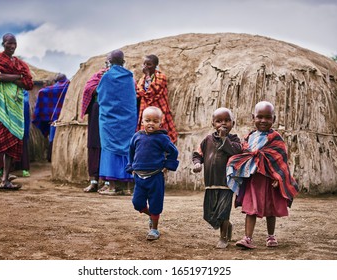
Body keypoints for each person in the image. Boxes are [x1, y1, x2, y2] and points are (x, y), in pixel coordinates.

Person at [227, 101, 299, 249]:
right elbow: (245, 153)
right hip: (253, 180)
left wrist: (278, 178)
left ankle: (271, 236)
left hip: (269, 180)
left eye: (267, 117)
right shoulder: (250, 137)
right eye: (259, 117)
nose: (263, 121)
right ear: (253, 117)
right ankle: (247, 238)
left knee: (270, 209)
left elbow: (280, 160)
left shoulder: (275, 138)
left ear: (274, 118)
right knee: (250, 208)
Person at [0, 33, 33, 191]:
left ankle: (5, 181)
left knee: (11, 144)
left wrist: (14, 78)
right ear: (3, 43)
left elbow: (28, 83)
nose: (12, 46)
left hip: (16, 108)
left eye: (14, 44)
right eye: (9, 43)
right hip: (1, 108)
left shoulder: (21, 63)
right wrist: (17, 77)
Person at [126, 106, 179, 240]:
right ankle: (150, 214)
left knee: (155, 203)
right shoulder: (137, 136)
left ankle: (154, 229)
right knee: (137, 203)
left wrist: (167, 165)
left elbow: (173, 152)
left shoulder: (162, 138)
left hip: (155, 176)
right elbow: (131, 152)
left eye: (155, 121)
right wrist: (131, 166)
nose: (151, 123)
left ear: (160, 123)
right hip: (139, 176)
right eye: (147, 120)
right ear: (142, 122)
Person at [192, 107, 242, 249]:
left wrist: (224, 138)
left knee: (223, 211)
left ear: (233, 122)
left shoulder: (234, 140)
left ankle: (223, 237)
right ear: (213, 124)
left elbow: (236, 151)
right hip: (211, 183)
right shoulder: (207, 140)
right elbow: (198, 154)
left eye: (227, 120)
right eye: (219, 121)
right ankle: (227, 226)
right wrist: (197, 163)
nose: (223, 124)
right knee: (210, 213)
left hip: (227, 184)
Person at [96, 49, 137, 195]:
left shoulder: (107, 77)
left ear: (110, 61)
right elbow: (131, 99)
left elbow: (101, 97)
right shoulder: (129, 77)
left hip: (109, 120)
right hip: (128, 119)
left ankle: (112, 186)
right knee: (127, 149)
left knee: (109, 149)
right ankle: (128, 188)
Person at [136, 54, 177, 143]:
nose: (146, 67)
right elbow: (140, 92)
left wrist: (147, 75)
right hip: (146, 111)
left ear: (156, 66)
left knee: (159, 136)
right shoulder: (141, 79)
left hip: (159, 110)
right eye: (144, 64)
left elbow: (152, 91)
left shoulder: (161, 77)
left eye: (149, 64)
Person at [81, 65, 109, 192]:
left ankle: (108, 182)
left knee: (108, 148)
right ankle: (93, 181)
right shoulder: (98, 76)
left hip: (112, 114)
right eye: (109, 63)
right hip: (96, 113)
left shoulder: (122, 77)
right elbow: (89, 89)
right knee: (94, 145)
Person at [32, 73, 70, 162]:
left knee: (53, 137)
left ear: (56, 81)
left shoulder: (48, 90)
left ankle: (52, 157)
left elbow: (41, 93)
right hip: (67, 119)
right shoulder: (69, 88)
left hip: (54, 119)